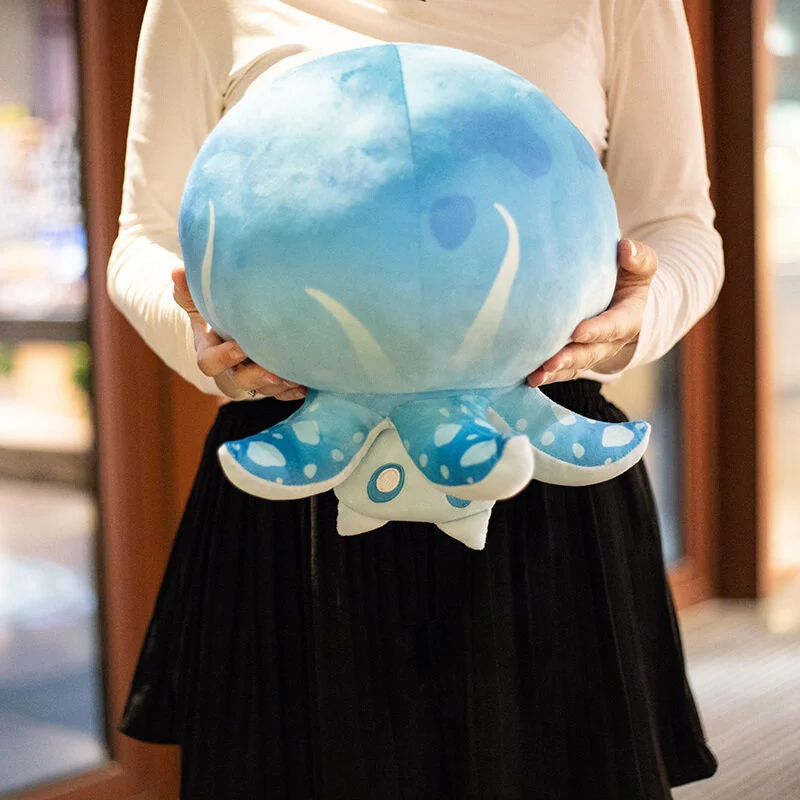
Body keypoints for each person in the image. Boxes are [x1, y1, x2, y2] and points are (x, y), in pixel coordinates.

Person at [109, 1, 723, 797]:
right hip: (299, 476)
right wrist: (202, 335)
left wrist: (632, 320)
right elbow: (144, 238)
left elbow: (680, 229)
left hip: (535, 463)